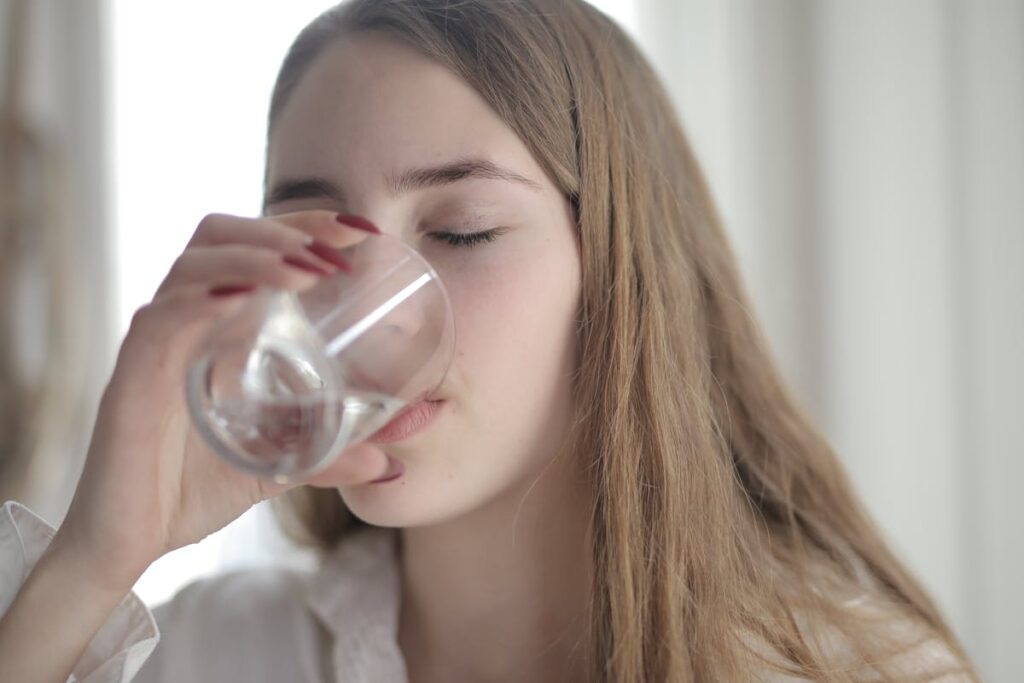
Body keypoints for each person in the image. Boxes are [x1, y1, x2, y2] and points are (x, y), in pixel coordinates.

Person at [0, 0, 980, 681]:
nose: (368, 309)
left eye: (462, 231)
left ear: (619, 271)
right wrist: (92, 561)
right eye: (313, 241)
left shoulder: (847, 671)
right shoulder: (213, 654)